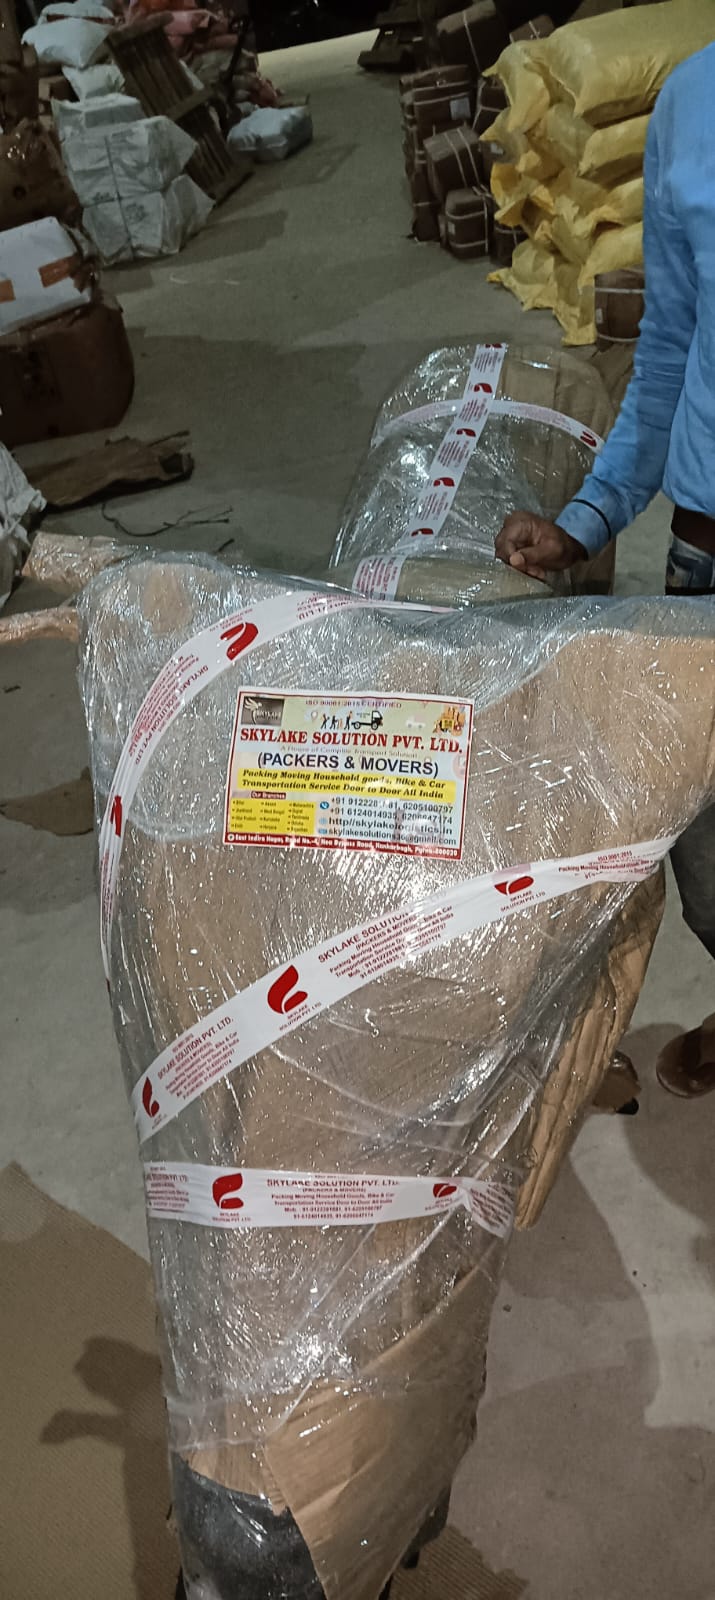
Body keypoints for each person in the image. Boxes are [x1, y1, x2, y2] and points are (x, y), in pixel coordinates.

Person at [495, 43, 715, 1097]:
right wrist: (590, 515)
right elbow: (670, 341)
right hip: (708, 554)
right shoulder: (692, 99)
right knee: (706, 851)